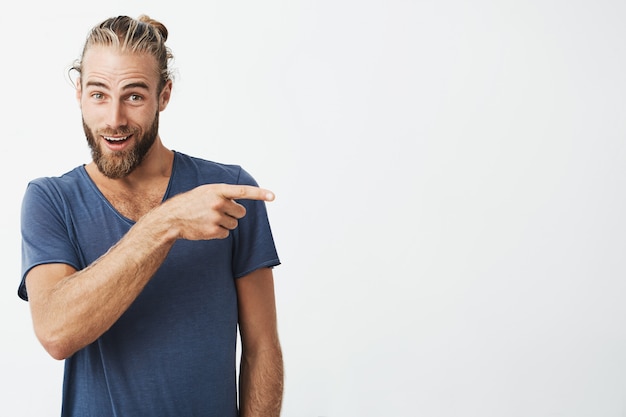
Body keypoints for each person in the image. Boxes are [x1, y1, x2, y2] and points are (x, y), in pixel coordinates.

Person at [18, 14, 283, 417]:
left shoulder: (226, 191)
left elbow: (262, 348)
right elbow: (56, 332)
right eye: (99, 94)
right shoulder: (51, 199)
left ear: (164, 95)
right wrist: (166, 222)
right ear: (79, 93)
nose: (114, 119)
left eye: (135, 96)